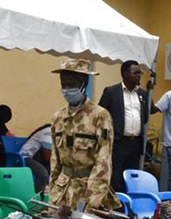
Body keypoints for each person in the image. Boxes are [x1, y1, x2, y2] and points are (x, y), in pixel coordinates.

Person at [50, 59, 119, 210]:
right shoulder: (58, 117)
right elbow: (55, 160)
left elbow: (103, 161)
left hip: (88, 190)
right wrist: (51, 190)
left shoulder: (99, 116)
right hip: (62, 191)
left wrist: (92, 200)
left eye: (71, 85)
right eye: (63, 85)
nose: (66, 89)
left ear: (84, 84)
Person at [99, 60, 150, 192]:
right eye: (135, 73)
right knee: (115, 177)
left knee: (132, 179)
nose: (139, 76)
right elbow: (100, 115)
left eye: (140, 73)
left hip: (135, 143)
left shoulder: (142, 94)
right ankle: (115, 202)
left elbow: (145, 116)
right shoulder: (112, 92)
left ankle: (129, 202)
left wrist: (150, 91)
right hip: (118, 142)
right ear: (125, 74)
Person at [19, 124, 53, 194]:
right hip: (26, 158)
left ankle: (46, 194)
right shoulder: (48, 132)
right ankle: (34, 196)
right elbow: (47, 156)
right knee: (43, 175)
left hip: (39, 160)